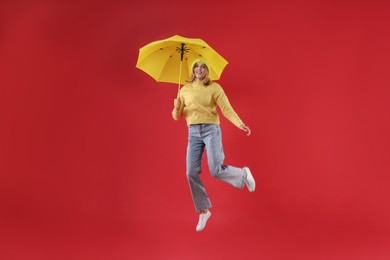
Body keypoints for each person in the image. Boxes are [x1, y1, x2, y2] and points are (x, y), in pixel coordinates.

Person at [172, 58, 255, 232]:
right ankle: (203, 211)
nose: (199, 69)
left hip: (211, 130)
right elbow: (177, 116)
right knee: (191, 172)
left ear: (207, 71)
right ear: (192, 69)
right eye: (196, 66)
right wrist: (177, 107)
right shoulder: (184, 90)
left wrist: (240, 123)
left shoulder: (215, 88)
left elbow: (226, 109)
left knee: (215, 169)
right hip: (193, 132)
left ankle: (243, 173)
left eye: (203, 66)